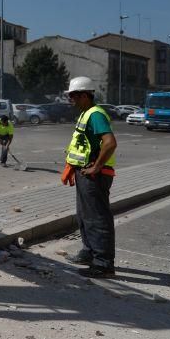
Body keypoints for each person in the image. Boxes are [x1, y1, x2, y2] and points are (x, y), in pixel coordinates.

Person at [61, 76, 118, 278]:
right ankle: (89, 252)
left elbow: (110, 142)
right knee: (84, 216)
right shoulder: (86, 113)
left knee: (97, 218)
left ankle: (103, 263)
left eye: (74, 96)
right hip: (84, 173)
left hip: (95, 175)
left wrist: (96, 167)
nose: (71, 100)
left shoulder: (95, 114)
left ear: (85, 95)